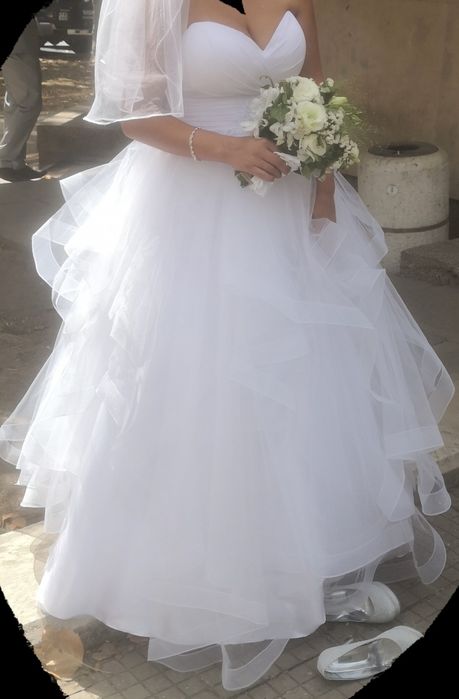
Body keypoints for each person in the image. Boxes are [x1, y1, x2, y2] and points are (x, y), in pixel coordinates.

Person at [0, 0, 455, 690]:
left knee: (300, 381)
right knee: (196, 381)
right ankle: (179, 583)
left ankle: (299, 567)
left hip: (283, 204)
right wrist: (227, 149)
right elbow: (134, 116)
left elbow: (315, 87)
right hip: (190, 209)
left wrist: (323, 183)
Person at [0, 17, 44, 182]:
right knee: (28, 101)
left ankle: (14, 164)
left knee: (17, 102)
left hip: (21, 44)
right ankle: (5, 159)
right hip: (20, 46)